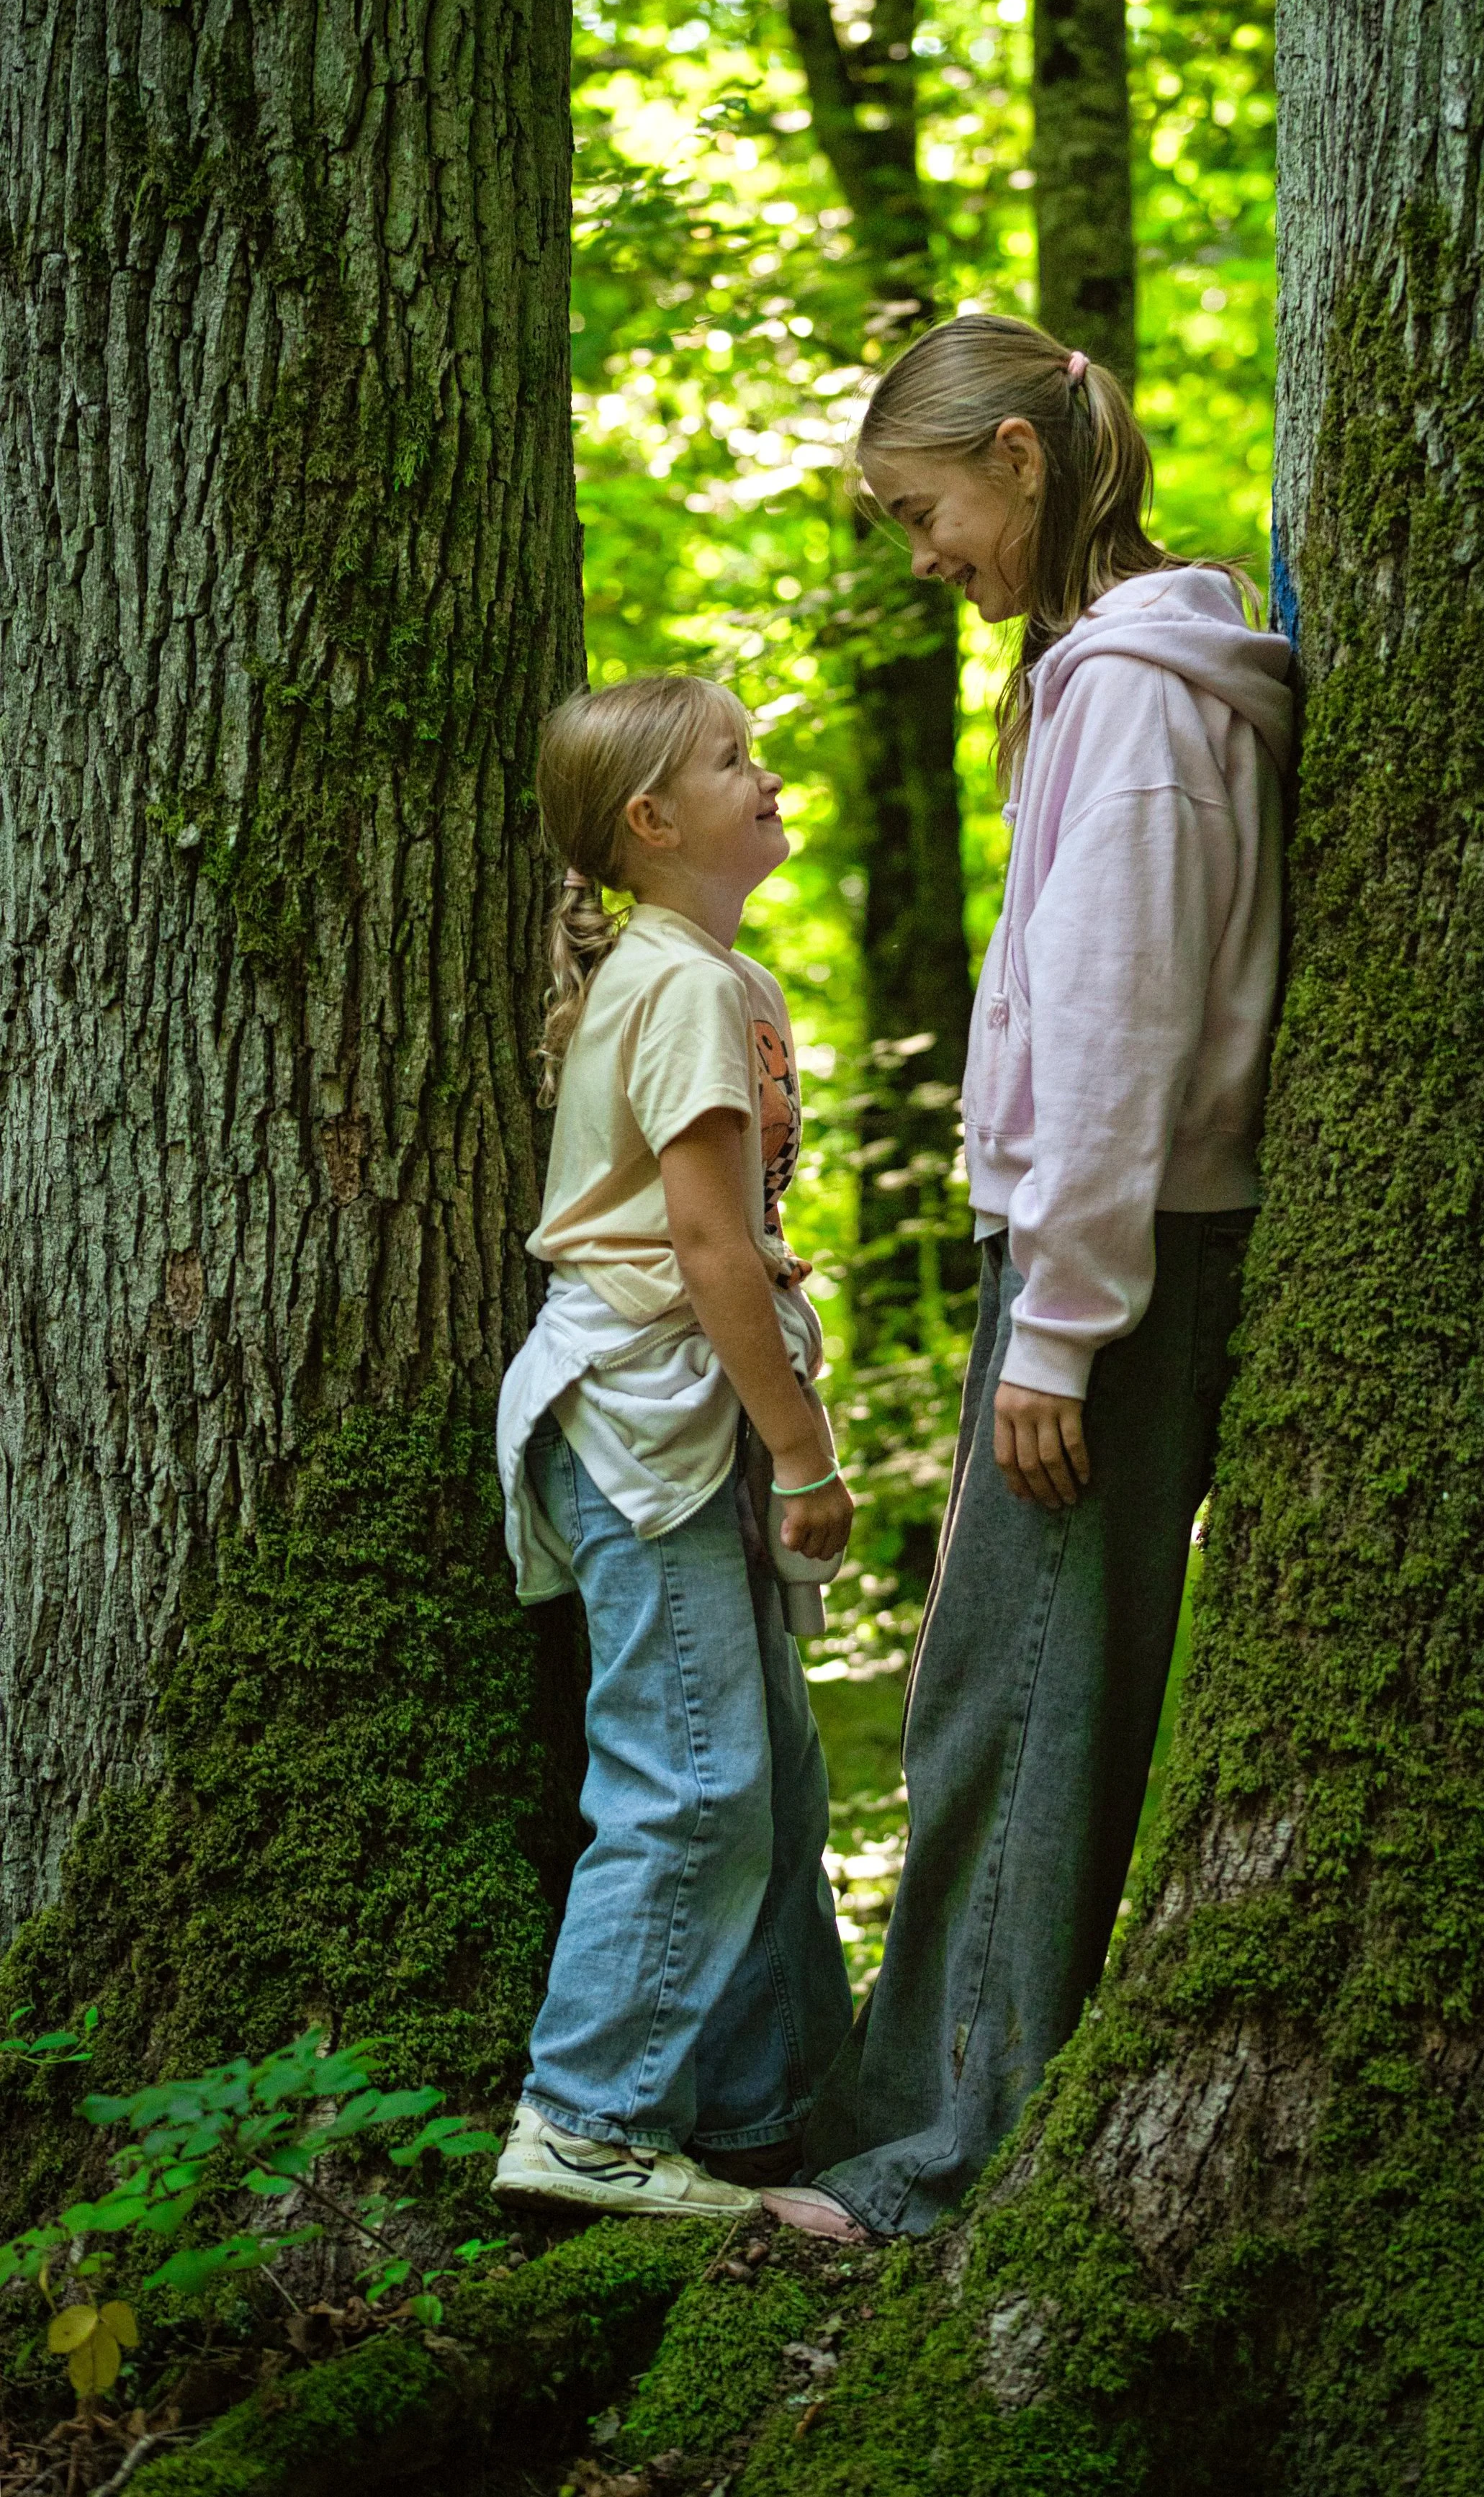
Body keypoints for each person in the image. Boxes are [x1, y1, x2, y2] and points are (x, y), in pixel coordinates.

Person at [763, 313, 1294, 2243]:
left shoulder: (1141, 697)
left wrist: (1059, 1325)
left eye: (922, 514)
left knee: (1030, 1707)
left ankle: (939, 2165)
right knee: (988, 1691)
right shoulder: (1120, 676)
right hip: (1106, 1248)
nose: (923, 558)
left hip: (1120, 1262)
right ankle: (902, 2108)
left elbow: (1118, 1016)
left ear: (1013, 455)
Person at [489, 673, 854, 2221]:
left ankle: (765, 2120)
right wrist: (805, 1452)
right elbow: (710, 1248)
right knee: (691, 1780)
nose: (762, 775)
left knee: (767, 1782)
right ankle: (587, 2120)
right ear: (650, 824)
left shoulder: (703, 971)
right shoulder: (688, 986)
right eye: (731, 760)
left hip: (676, 1419)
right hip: (653, 1419)